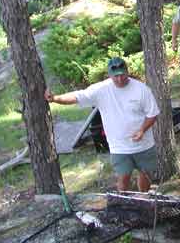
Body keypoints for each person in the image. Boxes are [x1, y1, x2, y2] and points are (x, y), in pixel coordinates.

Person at [45, 57, 160, 192]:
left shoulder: (141, 89)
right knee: (123, 178)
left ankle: (144, 198)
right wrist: (55, 98)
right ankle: (123, 202)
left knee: (146, 175)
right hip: (119, 147)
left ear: (127, 72)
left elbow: (152, 113)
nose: (120, 79)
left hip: (144, 145)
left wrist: (142, 130)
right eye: (115, 76)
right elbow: (78, 96)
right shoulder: (101, 89)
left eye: (123, 74)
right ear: (109, 75)